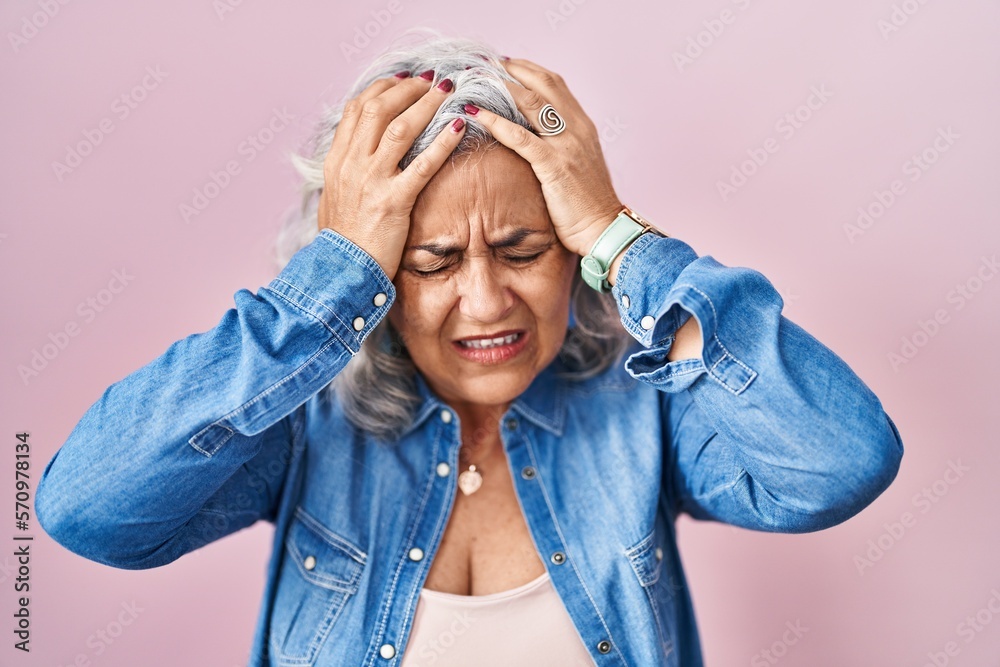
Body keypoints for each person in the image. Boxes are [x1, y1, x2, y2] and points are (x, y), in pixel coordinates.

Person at [35, 30, 904, 667]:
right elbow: (89, 507)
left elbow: (841, 461)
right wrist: (329, 280)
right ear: (377, 276)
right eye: (431, 263)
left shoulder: (645, 412)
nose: (488, 301)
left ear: (572, 249)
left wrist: (620, 235)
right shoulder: (309, 427)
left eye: (525, 250)